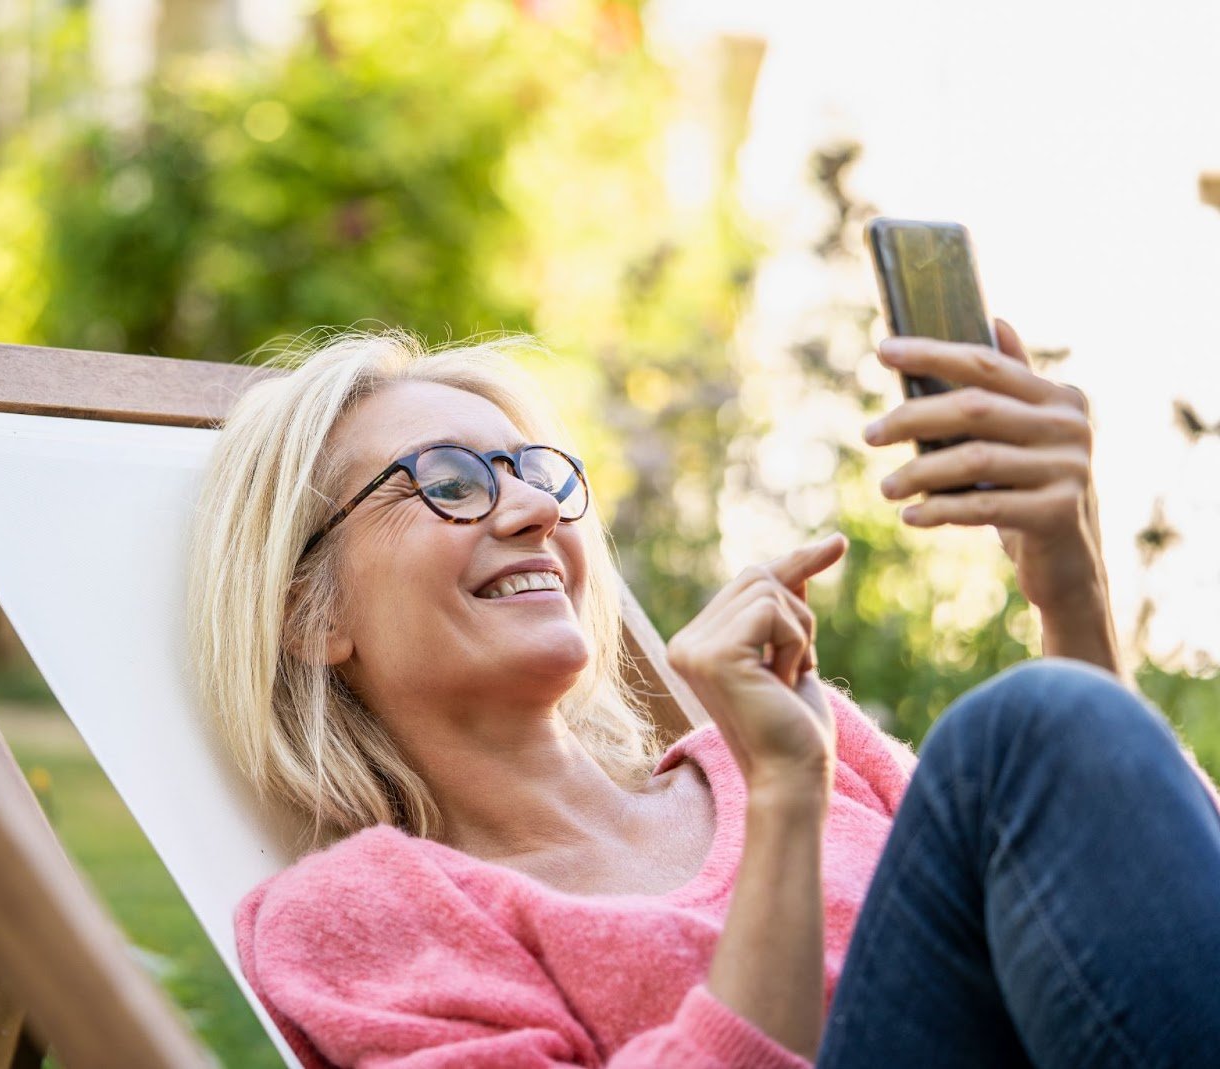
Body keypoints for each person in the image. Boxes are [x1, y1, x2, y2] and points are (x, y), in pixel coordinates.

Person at [185, 322, 1220, 1068]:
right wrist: (784, 800)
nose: (537, 508)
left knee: (1040, 721)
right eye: (451, 481)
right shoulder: (363, 916)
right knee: (1023, 723)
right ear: (310, 615)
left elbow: (1122, 939)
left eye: (539, 472)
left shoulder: (796, 750)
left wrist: (1069, 589)